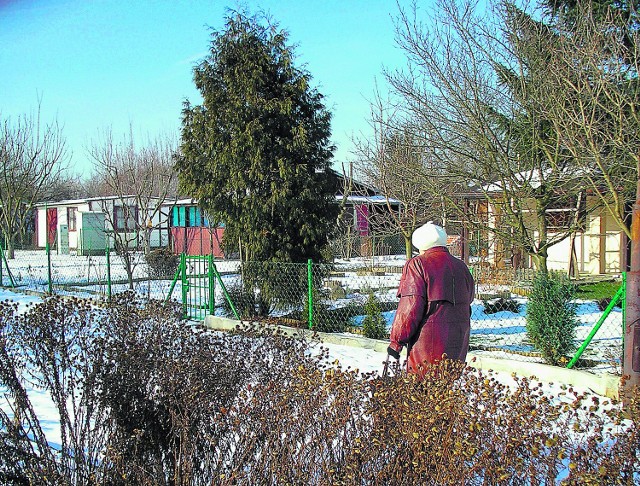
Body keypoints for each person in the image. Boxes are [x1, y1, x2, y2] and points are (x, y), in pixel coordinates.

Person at [387, 222, 475, 377]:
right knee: (445, 394)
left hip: (426, 347)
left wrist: (396, 342)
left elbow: (410, 308)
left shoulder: (418, 264)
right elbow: (469, 302)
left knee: (421, 395)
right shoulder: (461, 267)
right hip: (458, 345)